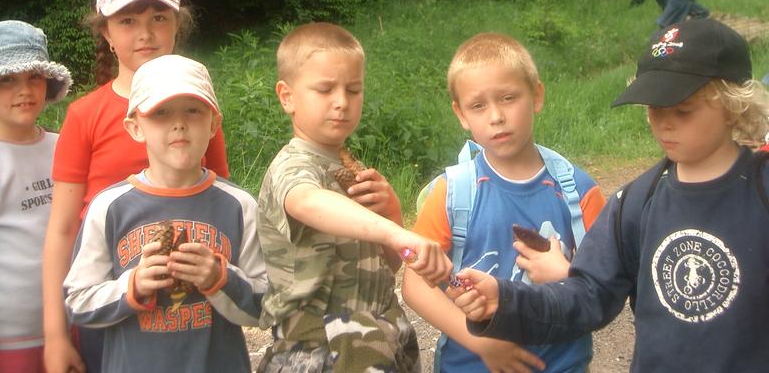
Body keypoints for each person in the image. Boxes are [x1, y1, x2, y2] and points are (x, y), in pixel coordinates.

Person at [449, 19, 769, 372]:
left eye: (683, 110)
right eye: (654, 108)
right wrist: (506, 301)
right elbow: (588, 295)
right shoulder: (636, 202)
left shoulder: (761, 191)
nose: (664, 123)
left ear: (734, 104)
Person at [42, 0, 230, 373]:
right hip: (108, 307)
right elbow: (61, 229)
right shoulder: (85, 116)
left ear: (177, 24)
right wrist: (55, 334)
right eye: (127, 21)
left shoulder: (198, 109)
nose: (145, 33)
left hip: (192, 311)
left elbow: (222, 206)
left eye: (158, 17)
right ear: (107, 34)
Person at [402, 32, 605, 373]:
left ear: (536, 95)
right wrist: (482, 344)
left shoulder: (579, 192)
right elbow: (414, 285)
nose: (496, 116)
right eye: (478, 106)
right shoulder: (452, 192)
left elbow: (606, 289)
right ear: (461, 114)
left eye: (508, 98)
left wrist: (567, 276)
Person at [256, 22, 453, 373]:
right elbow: (306, 201)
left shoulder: (353, 169)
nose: (341, 102)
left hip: (380, 332)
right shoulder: (292, 165)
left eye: (354, 90)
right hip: (320, 346)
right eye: (325, 89)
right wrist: (395, 232)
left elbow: (386, 267)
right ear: (287, 97)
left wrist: (392, 212)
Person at [64, 55, 266, 372]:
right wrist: (133, 285)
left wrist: (219, 278)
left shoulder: (239, 206)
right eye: (160, 113)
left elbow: (266, 308)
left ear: (214, 124)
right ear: (135, 127)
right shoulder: (109, 207)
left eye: (193, 110)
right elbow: (77, 303)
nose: (179, 123)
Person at [0, 21, 72, 373]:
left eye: (34, 77)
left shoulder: (64, 147)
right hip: (4, 347)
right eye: (7, 80)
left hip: (70, 330)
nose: (24, 90)